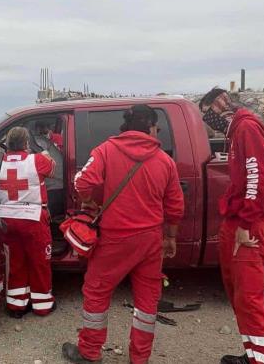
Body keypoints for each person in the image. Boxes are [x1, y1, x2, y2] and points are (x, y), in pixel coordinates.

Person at [62, 105, 184, 364]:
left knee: (97, 291)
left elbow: (81, 182)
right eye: (156, 128)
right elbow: (175, 205)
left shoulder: (105, 151)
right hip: (150, 240)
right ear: (150, 127)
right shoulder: (165, 161)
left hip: (114, 239)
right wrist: (170, 237)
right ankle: (139, 358)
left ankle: (90, 352)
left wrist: (89, 202)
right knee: (147, 300)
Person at [199, 88, 264, 364]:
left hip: (248, 223)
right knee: (239, 295)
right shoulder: (236, 133)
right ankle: (252, 355)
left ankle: (260, 360)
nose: (209, 120)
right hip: (238, 220)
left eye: (208, 112)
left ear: (221, 105)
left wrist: (245, 223)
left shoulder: (246, 130)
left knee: (249, 296)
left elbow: (259, 179)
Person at [0, 126, 56, 317]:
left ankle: (16, 306)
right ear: (26, 143)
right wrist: (44, 149)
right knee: (39, 262)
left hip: (6, 219)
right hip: (32, 219)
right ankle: (42, 305)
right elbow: (53, 167)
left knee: (15, 262)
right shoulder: (37, 160)